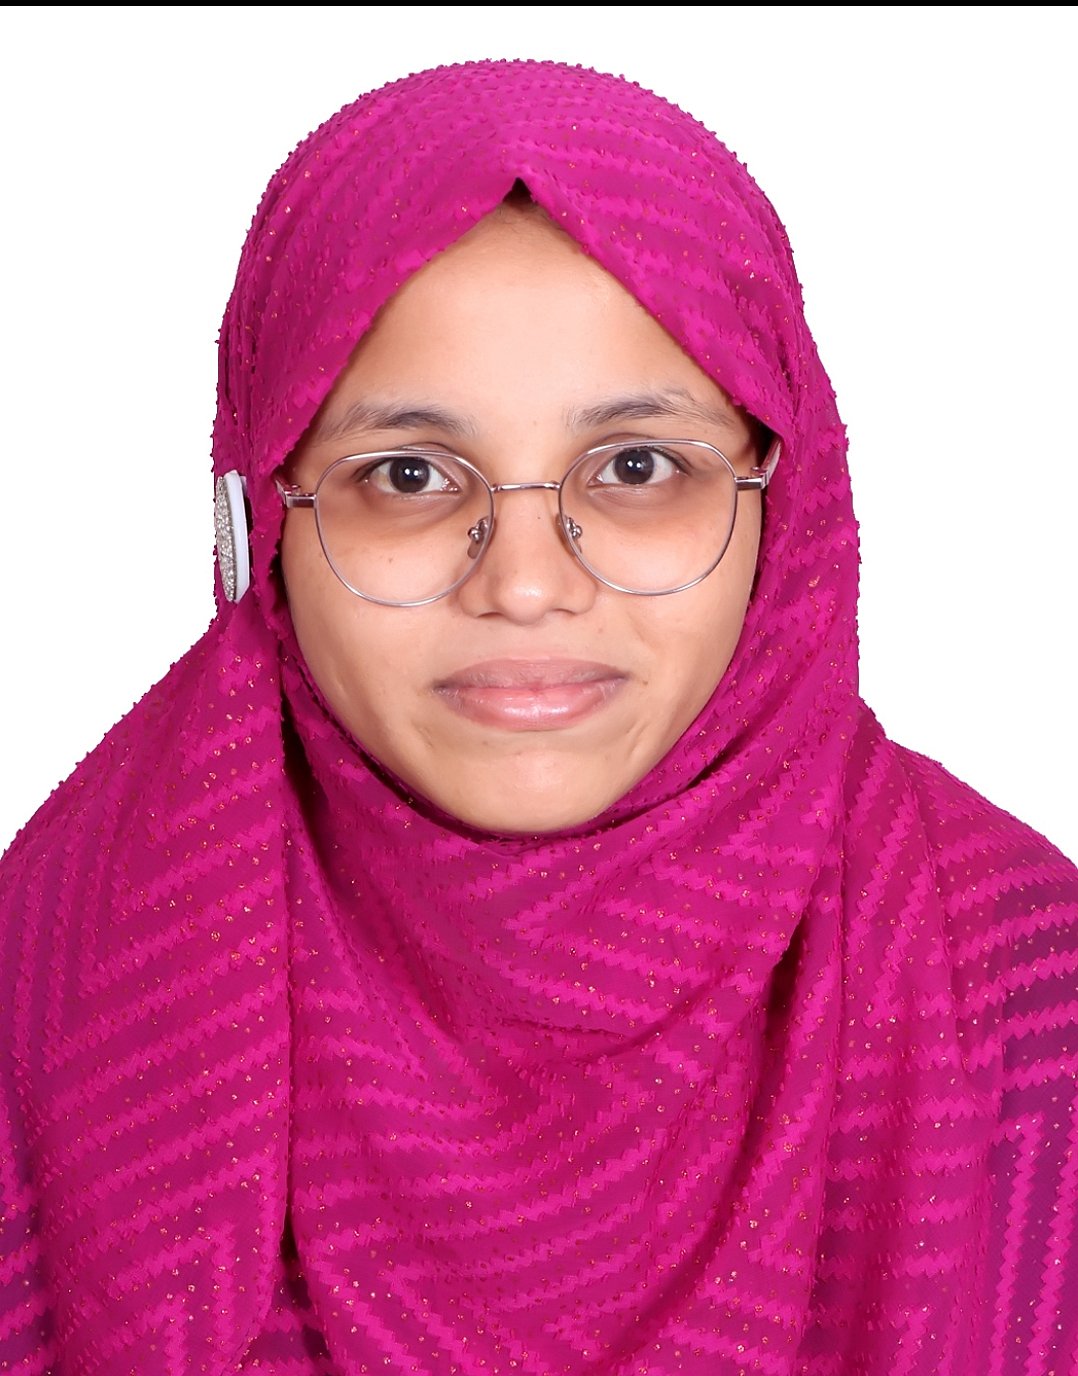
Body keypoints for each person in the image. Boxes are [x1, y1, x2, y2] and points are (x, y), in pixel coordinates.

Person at [0, 58, 1074, 1376]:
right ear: (260, 514)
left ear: (784, 503)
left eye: (637, 466)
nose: (523, 584)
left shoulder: (1015, 988)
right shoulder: (56, 989)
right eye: (407, 475)